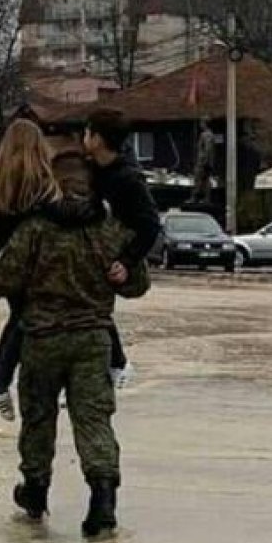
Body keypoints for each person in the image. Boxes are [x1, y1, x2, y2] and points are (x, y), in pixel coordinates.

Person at [0, 146, 150, 537]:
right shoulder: (108, 229)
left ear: (52, 184)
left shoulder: (35, 228)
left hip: (41, 340)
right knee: (94, 421)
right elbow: (137, 284)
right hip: (92, 341)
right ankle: (103, 500)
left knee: (39, 420)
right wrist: (118, 275)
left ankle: (36, 492)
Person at [0, 120, 63, 420]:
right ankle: (2, 380)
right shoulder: (44, 182)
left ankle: (3, 381)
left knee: (22, 316)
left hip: (2, 266)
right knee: (34, 316)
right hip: (35, 263)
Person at [83, 108, 162, 385]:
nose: (83, 137)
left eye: (87, 131)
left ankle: (117, 365)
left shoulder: (128, 179)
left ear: (98, 138)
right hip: (93, 255)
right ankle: (110, 367)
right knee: (92, 311)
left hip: (113, 258)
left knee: (96, 311)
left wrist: (127, 262)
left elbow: (151, 225)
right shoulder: (90, 169)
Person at [190, 117, 215, 206]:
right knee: (205, 180)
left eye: (202, 122)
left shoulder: (206, 135)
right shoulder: (210, 134)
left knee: (199, 179)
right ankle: (206, 199)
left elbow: (207, 149)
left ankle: (195, 198)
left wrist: (203, 161)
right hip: (207, 162)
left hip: (203, 162)